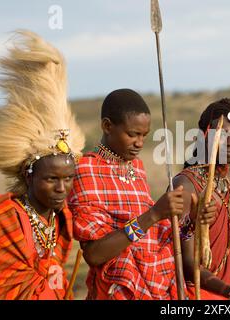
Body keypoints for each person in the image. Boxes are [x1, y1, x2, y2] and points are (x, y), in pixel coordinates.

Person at [0, 30, 85, 299]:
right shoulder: (3, 220)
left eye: (68, 179)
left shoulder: (60, 218)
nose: (62, 188)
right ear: (29, 177)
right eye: (51, 179)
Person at [68, 89, 187, 300]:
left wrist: (192, 218)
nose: (139, 143)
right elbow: (94, 254)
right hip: (117, 289)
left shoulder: (136, 167)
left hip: (156, 284)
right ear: (107, 126)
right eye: (132, 134)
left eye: (144, 135)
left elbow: (151, 236)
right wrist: (154, 215)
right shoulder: (86, 169)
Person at [173, 98, 230, 300]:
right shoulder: (186, 185)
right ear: (204, 137)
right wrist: (229, 290)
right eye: (223, 134)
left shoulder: (226, 181)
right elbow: (186, 263)